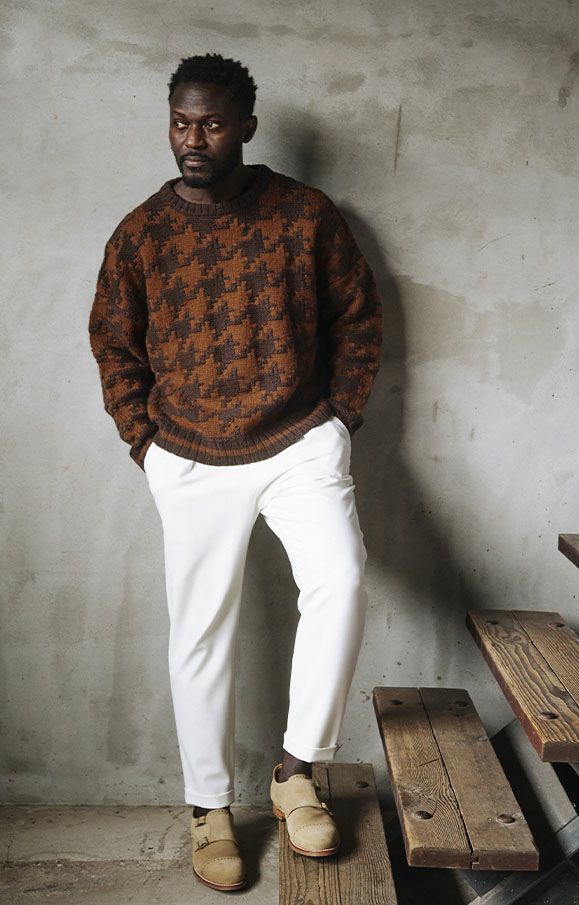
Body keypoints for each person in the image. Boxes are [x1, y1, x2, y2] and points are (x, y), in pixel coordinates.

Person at [88, 52, 382, 892]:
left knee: (341, 581)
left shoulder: (306, 214)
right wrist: (145, 442)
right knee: (200, 630)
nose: (193, 139)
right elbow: (113, 342)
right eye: (181, 122)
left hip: (298, 441)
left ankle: (296, 773)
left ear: (246, 127)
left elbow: (358, 318)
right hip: (188, 452)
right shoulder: (141, 233)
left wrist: (339, 419)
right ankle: (209, 809)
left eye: (212, 124)